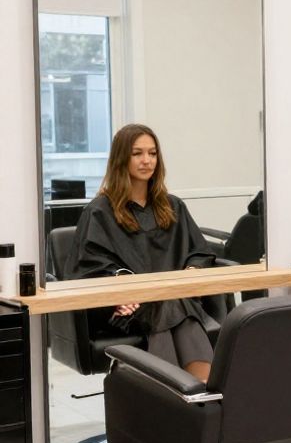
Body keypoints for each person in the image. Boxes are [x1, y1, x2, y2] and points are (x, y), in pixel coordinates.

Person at [68, 124, 219, 382]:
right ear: (121, 159)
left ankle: (172, 393)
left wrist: (193, 270)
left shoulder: (172, 207)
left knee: (169, 300)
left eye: (152, 153)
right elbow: (87, 267)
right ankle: (198, 391)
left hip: (174, 299)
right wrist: (119, 285)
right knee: (169, 302)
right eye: (137, 153)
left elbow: (199, 251)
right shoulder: (99, 211)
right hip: (128, 309)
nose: (146, 160)